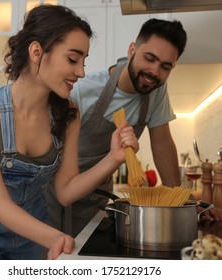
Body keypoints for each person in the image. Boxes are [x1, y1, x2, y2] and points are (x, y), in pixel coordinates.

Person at [0, 4, 139, 260]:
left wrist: (113, 158)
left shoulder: (68, 113)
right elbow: (0, 205)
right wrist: (54, 236)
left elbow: (65, 190)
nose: (81, 72)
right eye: (72, 59)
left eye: (84, 62)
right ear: (37, 52)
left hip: (32, 235)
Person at [46, 18, 188, 237]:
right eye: (149, 58)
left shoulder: (156, 90)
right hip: (57, 196)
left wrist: (180, 205)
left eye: (165, 67)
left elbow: (162, 142)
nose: (154, 71)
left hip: (98, 198)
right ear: (132, 50)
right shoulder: (82, 90)